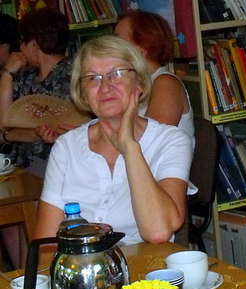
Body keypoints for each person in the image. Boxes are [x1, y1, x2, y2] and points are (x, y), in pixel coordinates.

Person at [33, 35, 194, 250]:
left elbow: (158, 232)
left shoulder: (170, 141)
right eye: (92, 78)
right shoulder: (66, 147)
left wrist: (130, 148)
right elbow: (46, 245)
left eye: (117, 74)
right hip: (80, 267)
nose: (105, 87)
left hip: (143, 268)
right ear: (83, 94)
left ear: (139, 83)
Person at [0, 8, 74, 172]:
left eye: (22, 41)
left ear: (34, 45)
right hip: (20, 169)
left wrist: (11, 135)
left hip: (56, 170)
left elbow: (51, 129)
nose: (20, 48)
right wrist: (7, 75)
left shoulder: (71, 75)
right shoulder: (26, 76)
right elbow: (4, 124)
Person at [114, 10, 194, 139]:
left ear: (143, 46)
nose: (111, 48)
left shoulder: (166, 83)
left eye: (118, 41)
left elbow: (151, 141)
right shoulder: (135, 84)